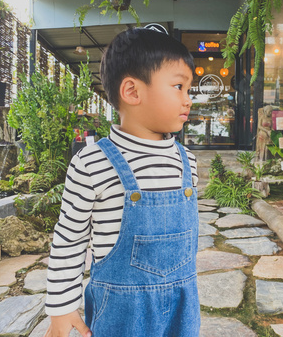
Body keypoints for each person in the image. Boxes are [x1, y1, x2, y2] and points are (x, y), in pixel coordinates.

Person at [44, 28, 200, 337]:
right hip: (121, 313)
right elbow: (69, 239)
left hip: (183, 306)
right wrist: (61, 308)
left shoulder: (187, 162)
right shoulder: (92, 163)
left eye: (189, 89)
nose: (188, 99)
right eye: (179, 87)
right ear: (132, 92)